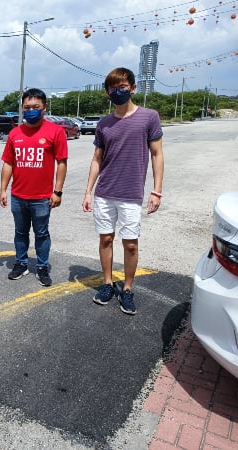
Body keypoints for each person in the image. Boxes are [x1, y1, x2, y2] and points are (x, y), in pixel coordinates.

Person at [82, 67, 164, 315]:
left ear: (133, 88)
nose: (117, 92)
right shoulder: (104, 124)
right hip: (105, 192)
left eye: (122, 87)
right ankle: (108, 283)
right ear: (107, 92)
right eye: (112, 88)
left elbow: (157, 154)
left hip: (130, 194)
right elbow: (97, 159)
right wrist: (88, 191)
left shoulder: (149, 117)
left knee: (130, 244)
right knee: (105, 239)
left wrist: (157, 191)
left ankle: (127, 288)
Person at [0, 88, 68, 286]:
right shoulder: (14, 134)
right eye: (27, 107)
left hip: (42, 197)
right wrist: (3, 189)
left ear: (44, 107)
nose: (31, 111)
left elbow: (61, 163)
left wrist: (58, 191)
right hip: (18, 196)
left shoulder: (56, 132)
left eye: (35, 107)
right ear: (22, 108)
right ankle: (20, 263)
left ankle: (42, 267)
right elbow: (8, 163)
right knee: (20, 232)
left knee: (42, 233)